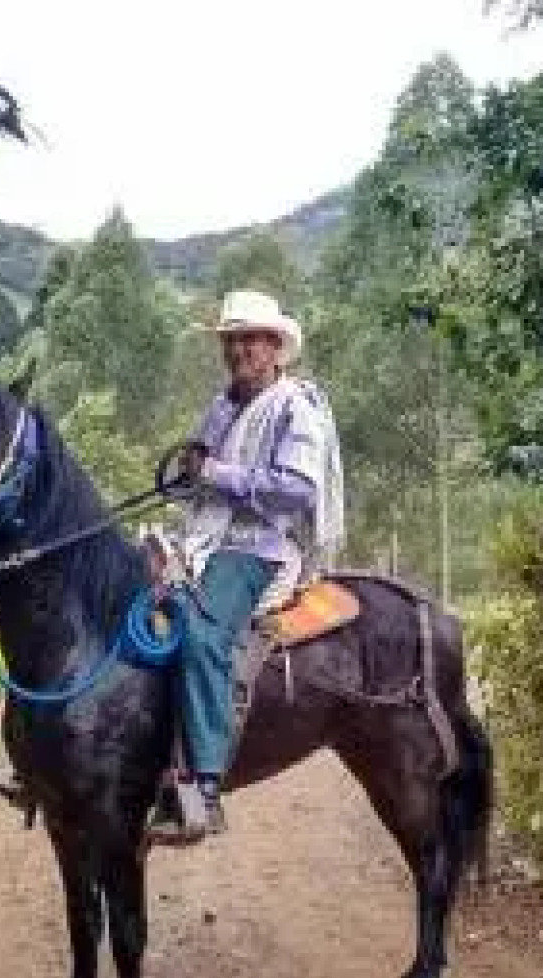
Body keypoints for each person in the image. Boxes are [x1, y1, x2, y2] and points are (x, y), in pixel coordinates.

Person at [146, 288, 345, 844]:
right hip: (204, 539)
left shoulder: (293, 408)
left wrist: (215, 474)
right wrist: (188, 476)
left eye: (250, 340)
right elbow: (201, 478)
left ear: (276, 347)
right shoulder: (223, 406)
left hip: (258, 547)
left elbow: (297, 491)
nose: (238, 351)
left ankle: (204, 787)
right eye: (231, 341)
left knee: (203, 637)